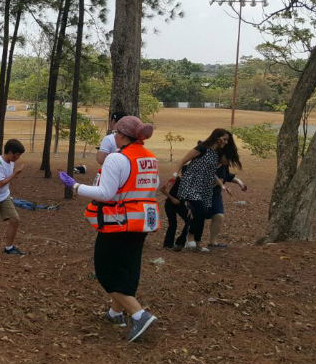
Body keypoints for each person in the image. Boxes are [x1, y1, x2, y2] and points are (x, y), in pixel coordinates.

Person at [58, 115, 159, 342]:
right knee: (126, 266)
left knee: (106, 271)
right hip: (141, 221)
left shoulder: (117, 158)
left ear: (122, 135)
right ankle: (115, 313)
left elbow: (106, 193)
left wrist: (75, 186)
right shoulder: (150, 157)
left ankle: (139, 314)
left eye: (115, 132)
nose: (113, 136)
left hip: (118, 222)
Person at [174, 129, 240, 252]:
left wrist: (221, 185)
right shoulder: (202, 148)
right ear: (217, 137)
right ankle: (190, 238)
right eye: (224, 139)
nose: (225, 142)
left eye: (227, 140)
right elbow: (183, 160)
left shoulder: (216, 153)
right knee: (201, 210)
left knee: (201, 213)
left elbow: (211, 172)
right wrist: (176, 174)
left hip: (205, 187)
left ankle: (195, 243)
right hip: (192, 184)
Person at [206, 159, 247, 248]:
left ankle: (213, 242)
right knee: (197, 217)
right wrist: (216, 183)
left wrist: (241, 184)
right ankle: (191, 241)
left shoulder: (225, 166)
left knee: (219, 216)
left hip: (215, 194)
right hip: (202, 193)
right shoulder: (209, 163)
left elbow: (228, 176)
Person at [159, 170, 191, 250]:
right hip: (170, 204)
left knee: (190, 220)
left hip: (181, 204)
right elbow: (162, 189)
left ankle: (180, 242)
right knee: (173, 224)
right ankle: (168, 244)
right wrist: (172, 198)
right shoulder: (176, 180)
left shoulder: (190, 183)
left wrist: (189, 207)